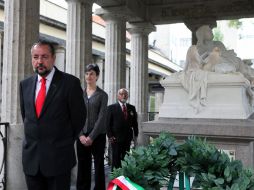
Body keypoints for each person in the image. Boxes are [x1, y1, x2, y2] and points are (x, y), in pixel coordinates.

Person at [19, 40, 86, 190]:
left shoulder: (70, 83)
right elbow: (27, 117)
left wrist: (62, 141)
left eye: (44, 57)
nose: (39, 61)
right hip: (32, 160)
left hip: (59, 160)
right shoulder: (25, 84)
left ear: (53, 58)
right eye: (35, 57)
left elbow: (79, 118)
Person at [76, 64, 108, 190]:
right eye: (87, 73)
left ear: (97, 76)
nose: (89, 76)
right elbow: (75, 115)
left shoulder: (102, 95)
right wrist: (80, 135)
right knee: (83, 165)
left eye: (92, 74)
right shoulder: (79, 94)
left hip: (98, 136)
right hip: (81, 136)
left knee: (99, 164)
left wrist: (91, 136)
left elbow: (102, 117)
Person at [106, 88, 138, 171]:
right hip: (115, 138)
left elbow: (135, 123)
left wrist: (136, 136)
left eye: (125, 94)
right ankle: (115, 178)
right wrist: (110, 136)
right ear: (118, 96)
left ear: (128, 96)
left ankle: (124, 177)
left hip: (127, 138)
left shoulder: (132, 108)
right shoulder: (111, 108)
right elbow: (107, 124)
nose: (123, 95)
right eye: (121, 94)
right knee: (116, 158)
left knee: (125, 158)